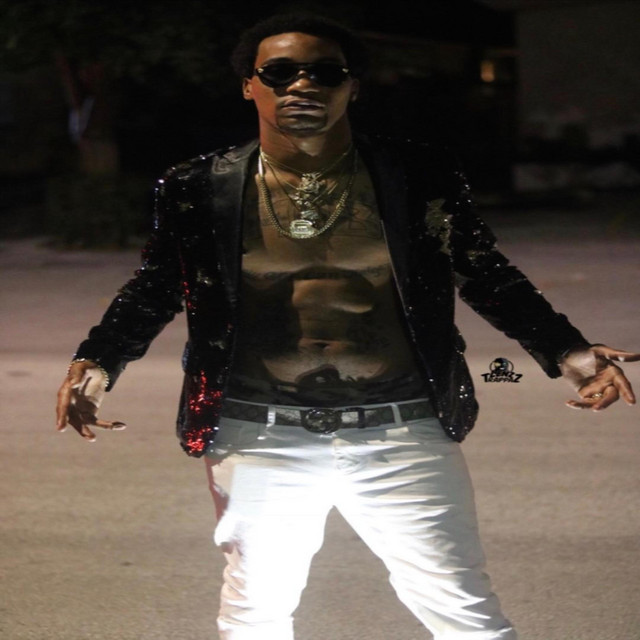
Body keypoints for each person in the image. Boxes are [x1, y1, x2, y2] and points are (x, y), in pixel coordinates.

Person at [55, 13, 639, 640]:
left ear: (352, 86)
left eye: (324, 72)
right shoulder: (199, 186)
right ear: (249, 85)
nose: (301, 85)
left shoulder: (413, 174)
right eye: (279, 73)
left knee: (467, 613)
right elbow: (156, 286)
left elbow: (482, 270)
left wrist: (570, 353)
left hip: (404, 427)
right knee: (255, 614)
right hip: (258, 431)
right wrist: (97, 364)